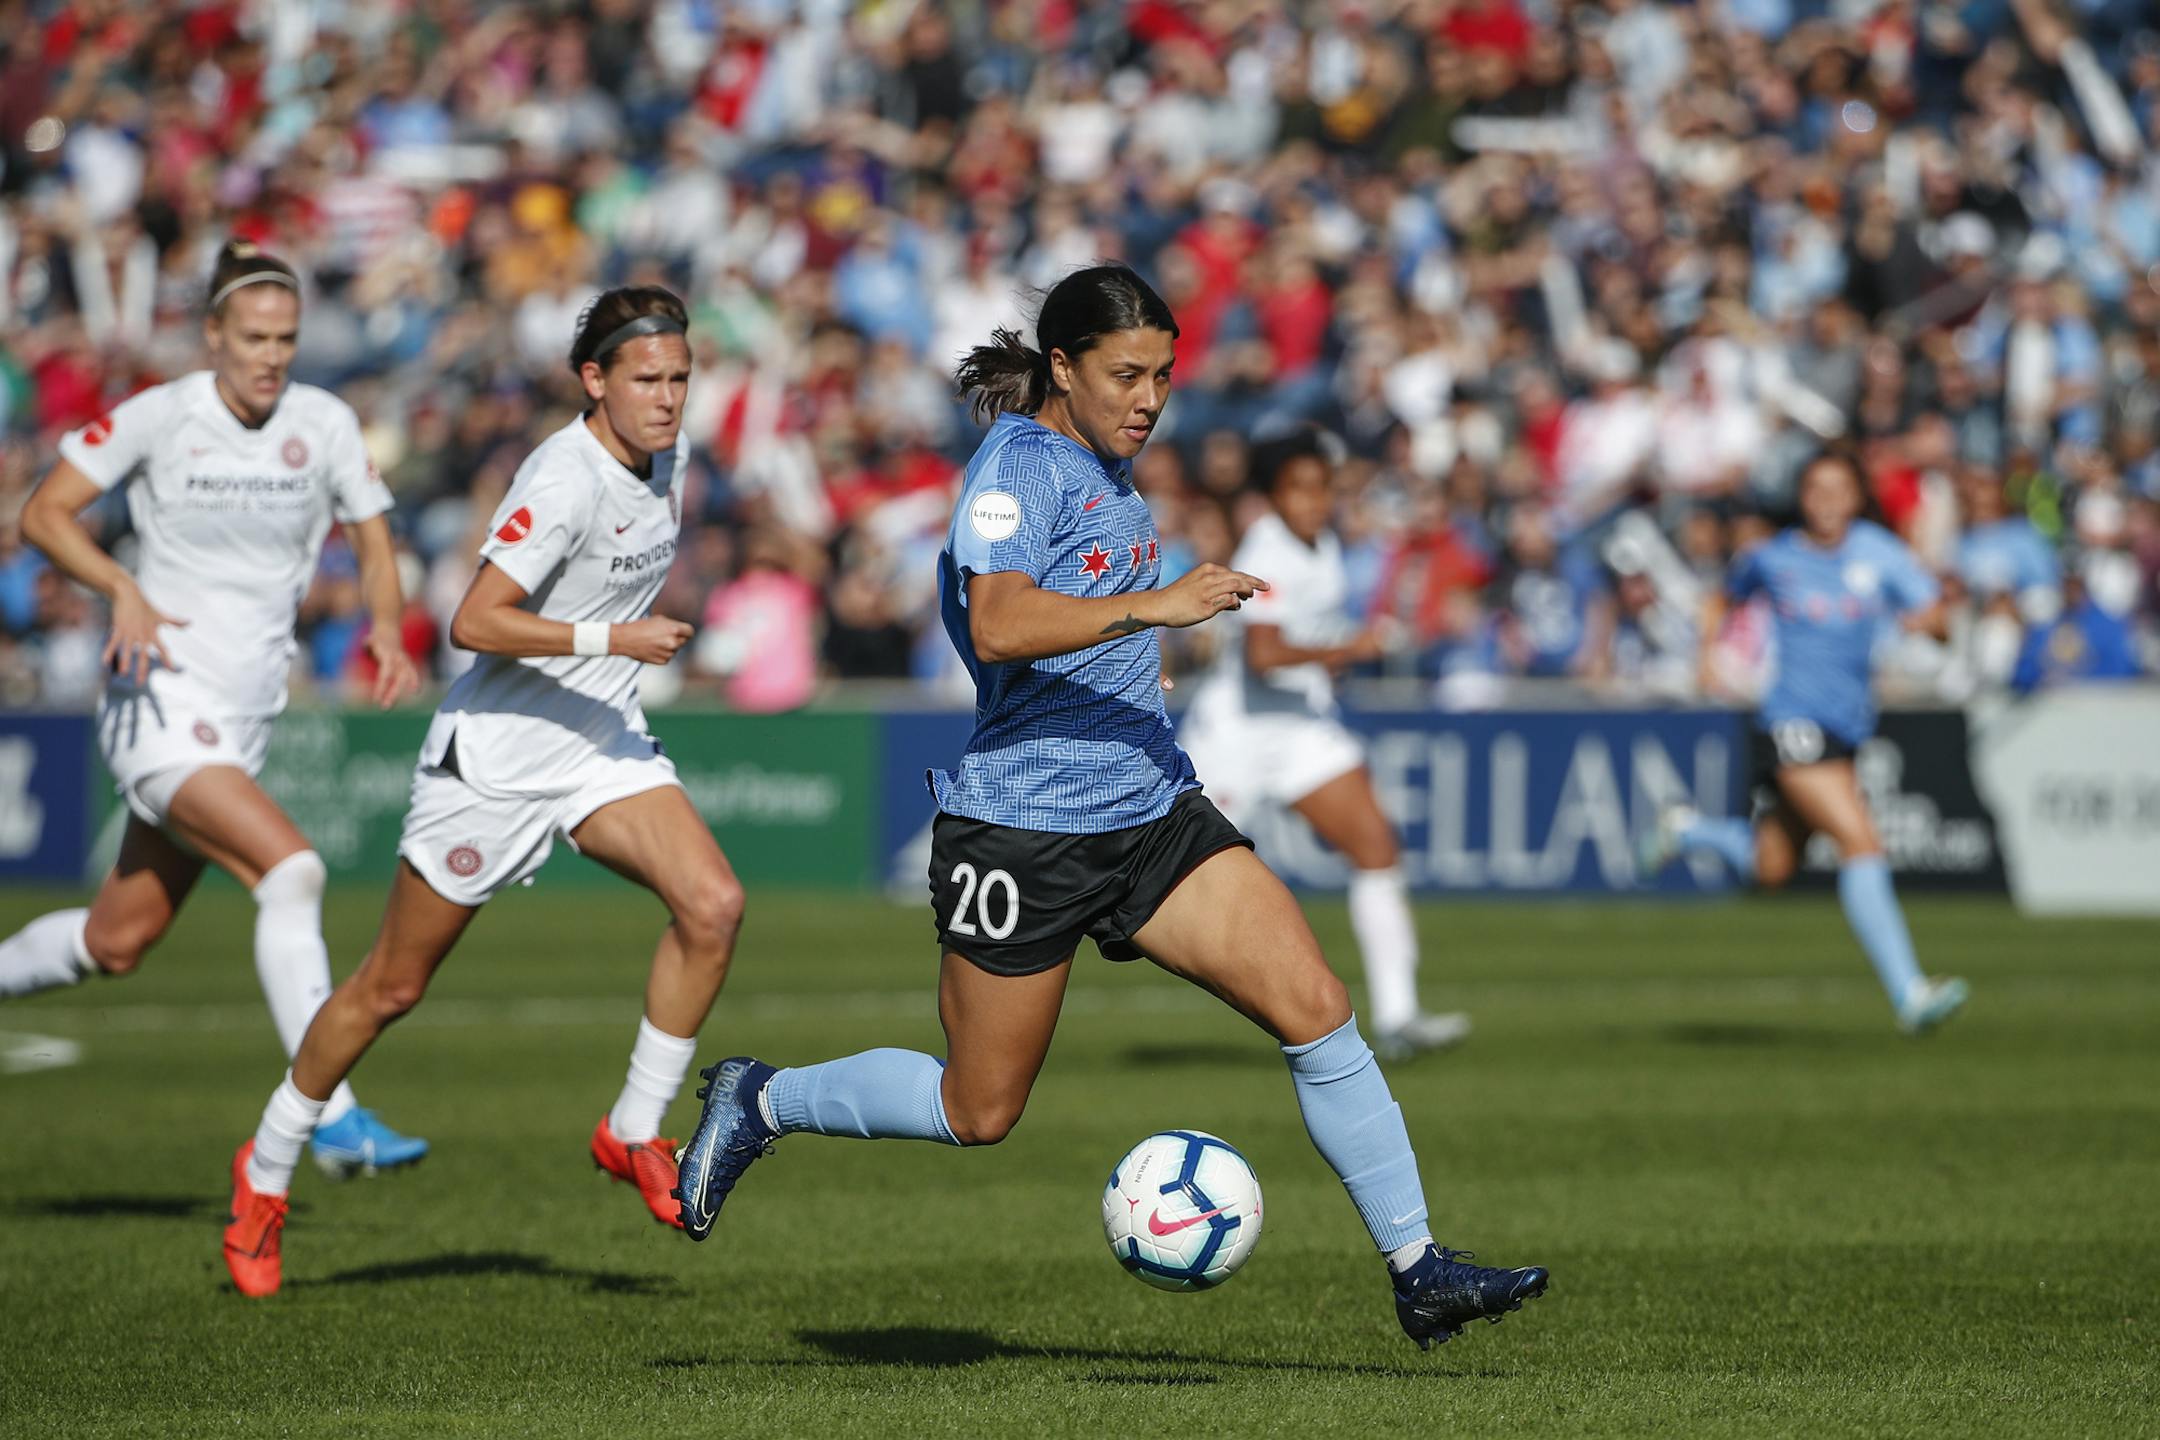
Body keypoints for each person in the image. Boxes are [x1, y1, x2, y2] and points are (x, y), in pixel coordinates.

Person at [673, 265, 1549, 1351]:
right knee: (978, 1110)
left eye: (1163, 377)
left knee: (1318, 1007)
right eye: (1126, 374)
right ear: (1063, 367)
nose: (1148, 398)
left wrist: (1134, 667)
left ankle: (1421, 1270)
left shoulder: (1110, 468)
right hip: (1025, 828)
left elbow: (1071, 617)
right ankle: (762, 1099)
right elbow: (996, 623)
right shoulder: (1015, 466)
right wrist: (1156, 608)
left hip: (1150, 813)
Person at [222, 286, 738, 1297]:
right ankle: (267, 1168)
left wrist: (612, 660)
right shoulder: (564, 476)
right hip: (496, 760)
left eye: (680, 378)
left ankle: (632, 1128)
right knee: (389, 988)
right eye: (647, 379)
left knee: (713, 906)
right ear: (594, 380)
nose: (669, 398)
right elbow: (475, 618)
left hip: (594, 740)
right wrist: (616, 639)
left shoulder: (666, 460)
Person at [0, 241, 428, 1179]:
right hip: (156, 698)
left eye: (286, 338)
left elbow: (372, 536)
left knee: (118, 941)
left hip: (240, 719)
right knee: (292, 872)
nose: (272, 355)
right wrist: (119, 586)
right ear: (213, 336)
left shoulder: (323, 421)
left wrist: (389, 626)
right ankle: (332, 1116)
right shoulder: (163, 415)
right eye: (254, 337)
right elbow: (44, 514)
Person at [1641, 455, 1969, 1033]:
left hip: (1846, 728)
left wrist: (1928, 624)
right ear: (1802, 497)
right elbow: (1720, 598)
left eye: (1837, 489)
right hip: (1790, 722)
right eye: (1815, 489)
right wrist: (1709, 655)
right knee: (1861, 843)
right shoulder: (1774, 558)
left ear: (1854, 498)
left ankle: (1689, 830)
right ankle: (1909, 993)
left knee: (1771, 868)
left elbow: (1936, 614)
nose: (1825, 500)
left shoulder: (1878, 553)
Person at [1178, 430, 1469, 1058]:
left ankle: (1397, 1015)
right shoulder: (1268, 549)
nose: (1312, 501)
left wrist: (1339, 647)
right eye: (1298, 489)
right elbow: (1263, 656)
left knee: (1375, 846)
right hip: (1238, 735)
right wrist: (1349, 649)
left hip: (1301, 726)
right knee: (1165, 879)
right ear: (1275, 495)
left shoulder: (1326, 545)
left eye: (1321, 488)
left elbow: (1302, 642)